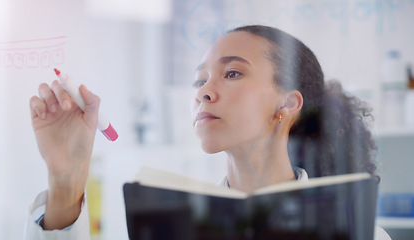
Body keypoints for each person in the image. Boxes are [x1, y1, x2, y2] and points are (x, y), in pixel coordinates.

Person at [24, 25, 390, 239]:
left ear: (289, 103)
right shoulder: (166, 223)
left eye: (232, 73)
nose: (202, 91)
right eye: (199, 80)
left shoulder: (360, 233)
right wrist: (65, 179)